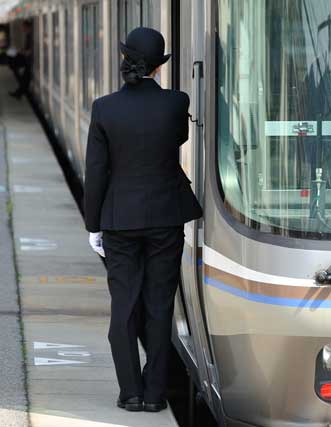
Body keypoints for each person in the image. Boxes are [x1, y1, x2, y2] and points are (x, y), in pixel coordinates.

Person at [83, 27, 202, 413]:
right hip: (165, 217)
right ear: (158, 66)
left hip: (119, 220)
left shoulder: (104, 108)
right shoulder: (176, 103)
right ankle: (154, 395)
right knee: (159, 305)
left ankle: (130, 392)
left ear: (124, 59)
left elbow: (96, 172)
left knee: (123, 306)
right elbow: (177, 140)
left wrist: (93, 225)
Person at [9, 20, 33, 99]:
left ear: (27, 27)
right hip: (28, 61)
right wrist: (21, 50)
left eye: (23, 27)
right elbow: (27, 49)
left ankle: (19, 93)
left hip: (29, 62)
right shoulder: (28, 35)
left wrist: (20, 51)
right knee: (25, 79)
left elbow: (29, 51)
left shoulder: (30, 36)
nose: (22, 28)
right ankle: (19, 93)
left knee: (25, 79)